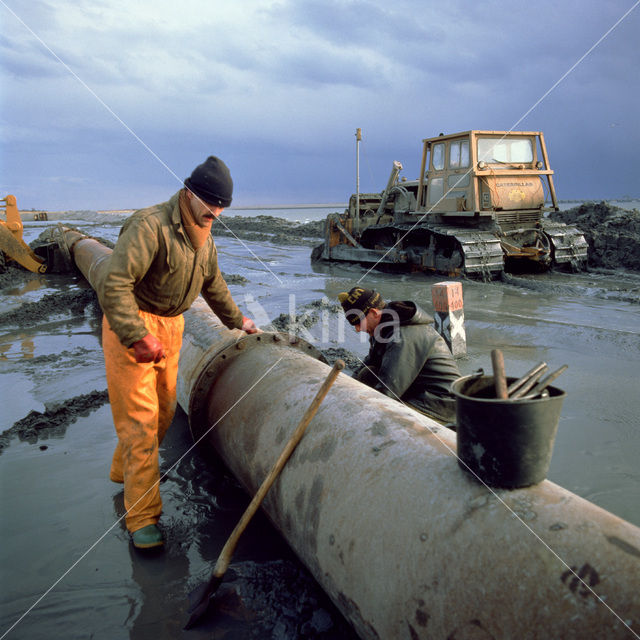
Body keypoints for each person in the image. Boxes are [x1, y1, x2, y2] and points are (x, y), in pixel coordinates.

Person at [98, 156, 258, 550]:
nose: (216, 213)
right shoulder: (149, 226)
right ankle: (142, 518)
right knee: (140, 423)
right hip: (132, 326)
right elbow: (114, 285)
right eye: (211, 204)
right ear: (189, 194)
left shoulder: (205, 238)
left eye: (222, 207)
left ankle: (125, 473)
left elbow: (214, 285)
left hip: (172, 329)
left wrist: (238, 320)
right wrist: (135, 335)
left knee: (164, 411)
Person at [338, 286, 460, 424]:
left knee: (377, 419)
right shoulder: (384, 329)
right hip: (417, 392)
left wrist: (354, 412)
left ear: (373, 312)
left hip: (439, 405)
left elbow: (388, 392)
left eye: (358, 322)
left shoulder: (401, 336)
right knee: (367, 374)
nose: (358, 329)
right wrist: (343, 389)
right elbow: (369, 362)